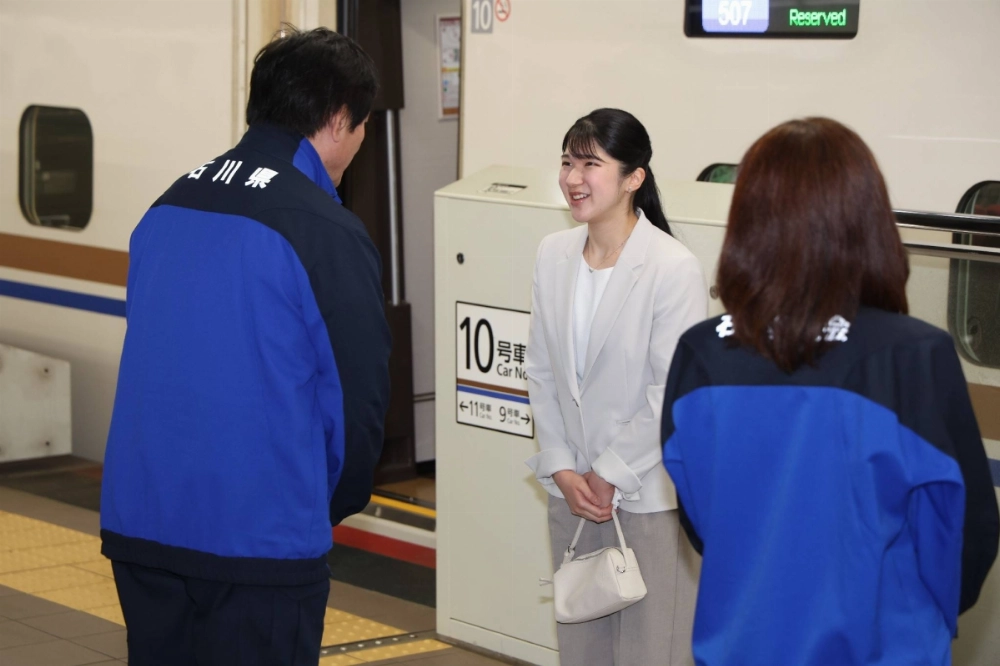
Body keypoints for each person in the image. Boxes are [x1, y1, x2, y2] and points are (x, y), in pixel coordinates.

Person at [99, 28, 391, 665]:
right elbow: (357, 403)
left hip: (142, 525)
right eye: (364, 124)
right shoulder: (324, 230)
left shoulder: (168, 204)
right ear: (340, 120)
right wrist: (325, 503)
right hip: (259, 542)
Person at [661, 117, 1000, 665]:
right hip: (882, 646)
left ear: (747, 221)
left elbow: (701, 521)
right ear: (867, 221)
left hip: (742, 644)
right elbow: (968, 532)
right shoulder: (911, 355)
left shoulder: (702, 354)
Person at [526, 108, 707, 665]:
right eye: (566, 161)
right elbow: (541, 370)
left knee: (653, 651)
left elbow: (670, 391)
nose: (573, 177)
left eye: (590, 163)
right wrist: (560, 464)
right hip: (572, 495)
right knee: (581, 651)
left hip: (643, 496)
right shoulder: (552, 255)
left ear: (634, 178)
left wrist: (606, 474)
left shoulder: (672, 267)